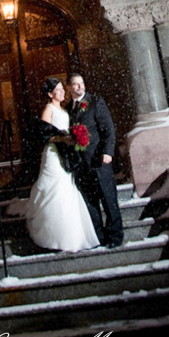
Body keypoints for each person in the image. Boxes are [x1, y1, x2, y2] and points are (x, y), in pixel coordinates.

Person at [24, 76, 99, 253]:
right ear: (50, 94)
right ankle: (52, 236)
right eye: (58, 90)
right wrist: (62, 139)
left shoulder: (65, 110)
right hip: (53, 154)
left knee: (67, 188)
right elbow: (44, 134)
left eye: (62, 89)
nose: (62, 92)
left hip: (66, 154)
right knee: (53, 187)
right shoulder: (48, 109)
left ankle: (70, 236)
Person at [67, 73, 124, 248]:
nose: (80, 87)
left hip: (98, 159)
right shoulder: (68, 109)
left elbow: (108, 129)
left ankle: (115, 236)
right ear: (69, 87)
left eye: (81, 83)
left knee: (108, 198)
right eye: (75, 84)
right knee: (90, 202)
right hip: (80, 163)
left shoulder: (95, 102)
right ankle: (98, 236)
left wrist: (108, 152)